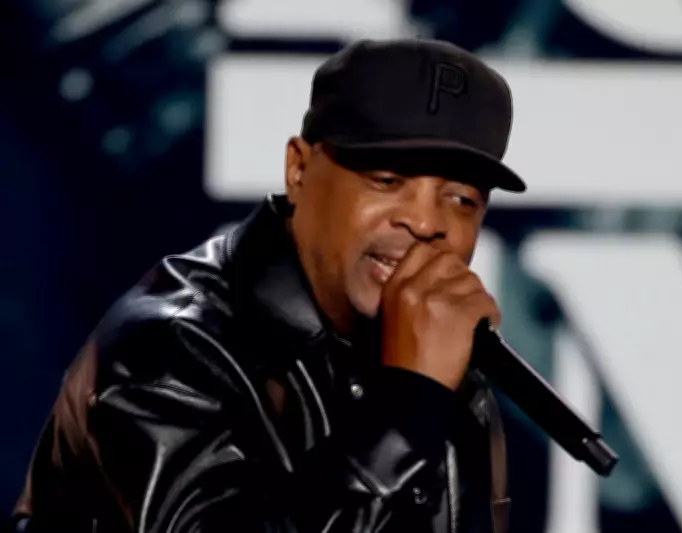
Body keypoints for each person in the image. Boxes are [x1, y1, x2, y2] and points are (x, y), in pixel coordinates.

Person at [13, 38, 527, 533]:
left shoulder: (444, 366)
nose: (426, 221)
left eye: (461, 199)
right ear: (298, 170)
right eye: (387, 180)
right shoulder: (166, 350)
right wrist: (407, 411)